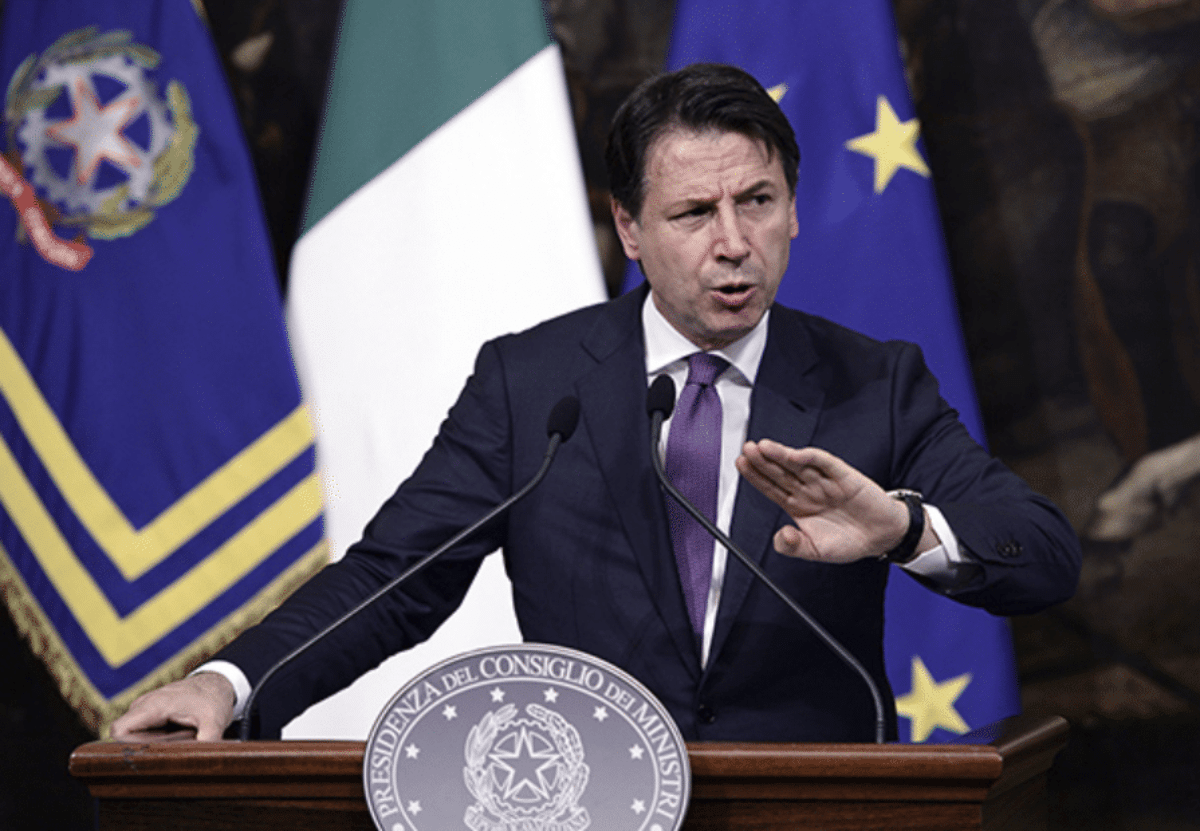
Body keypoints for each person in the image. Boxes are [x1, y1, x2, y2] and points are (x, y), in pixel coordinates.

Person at [112, 63, 1080, 744]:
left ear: (792, 208)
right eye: (694, 213)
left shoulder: (875, 382)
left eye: (758, 201)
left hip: (814, 807)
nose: (734, 242)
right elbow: (394, 577)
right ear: (628, 227)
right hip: (591, 800)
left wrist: (904, 528)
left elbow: (1041, 555)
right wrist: (228, 683)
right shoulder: (532, 385)